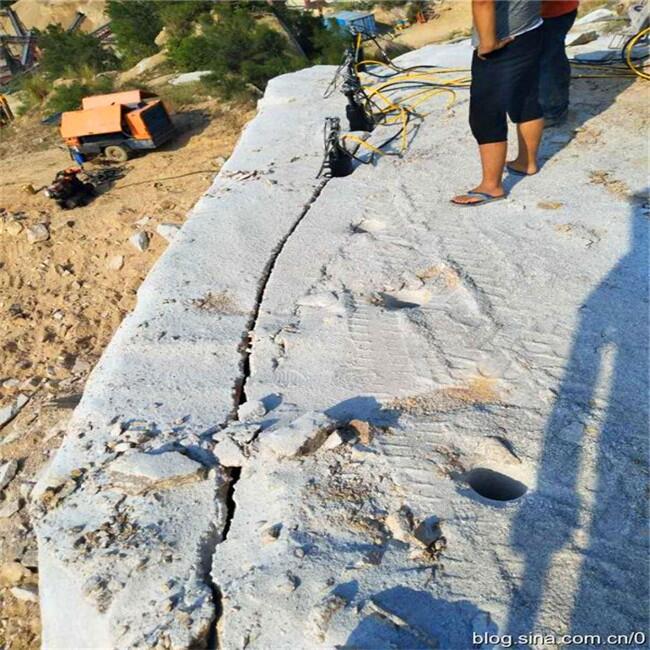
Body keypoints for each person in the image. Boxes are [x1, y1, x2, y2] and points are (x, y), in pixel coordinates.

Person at [452, 0, 545, 206]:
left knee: (485, 111)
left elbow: (483, 2)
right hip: (531, 27)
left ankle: (491, 186)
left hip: (503, 37)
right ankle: (526, 162)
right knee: (526, 95)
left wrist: (488, 43)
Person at [540, 1, 579, 126]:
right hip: (542, 14)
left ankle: (552, 111)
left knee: (549, 61)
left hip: (552, 13)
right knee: (549, 59)